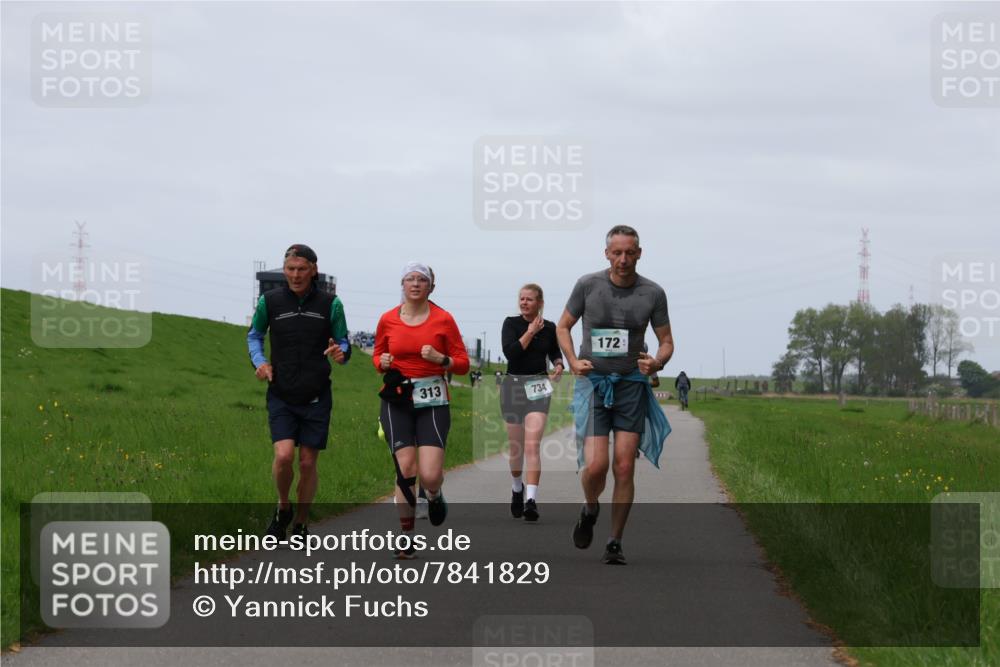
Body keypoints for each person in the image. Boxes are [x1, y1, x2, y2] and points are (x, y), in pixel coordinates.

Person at [556, 225, 673, 564]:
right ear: (606, 253)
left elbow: (666, 340)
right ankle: (590, 507)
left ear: (639, 253)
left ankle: (614, 542)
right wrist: (573, 361)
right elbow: (563, 325)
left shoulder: (653, 293)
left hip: (631, 386)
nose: (623, 259)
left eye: (629, 252)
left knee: (624, 466)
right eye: (617, 252)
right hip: (593, 384)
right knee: (596, 466)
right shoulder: (588, 285)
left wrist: (657, 361)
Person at [247, 244, 350, 540]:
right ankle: (283, 507)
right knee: (282, 457)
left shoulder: (331, 304)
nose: (295, 275)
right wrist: (260, 362)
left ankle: (301, 523)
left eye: (301, 269)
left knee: (307, 462)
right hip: (281, 391)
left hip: (316, 394)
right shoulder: (270, 301)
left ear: (313, 270)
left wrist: (341, 353)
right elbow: (254, 335)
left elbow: (343, 341)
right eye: (290, 269)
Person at [374, 262, 470, 557]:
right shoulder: (388, 319)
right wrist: (382, 363)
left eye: (422, 280)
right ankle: (406, 537)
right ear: (402, 285)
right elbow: (377, 355)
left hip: (433, 401)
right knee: (406, 468)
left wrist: (442, 359)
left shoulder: (444, 320)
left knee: (429, 475)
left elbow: (463, 364)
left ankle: (434, 493)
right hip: (397, 399)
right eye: (410, 279)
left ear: (431, 287)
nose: (415, 284)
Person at [500, 284, 564, 521]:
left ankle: (531, 499)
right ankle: (517, 487)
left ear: (540, 303)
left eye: (529, 299)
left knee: (532, 445)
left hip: (538, 387)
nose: (524, 302)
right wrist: (529, 331)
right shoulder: (510, 323)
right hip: (513, 387)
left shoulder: (549, 328)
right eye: (522, 299)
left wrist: (558, 365)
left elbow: (555, 352)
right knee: (516, 449)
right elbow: (511, 353)